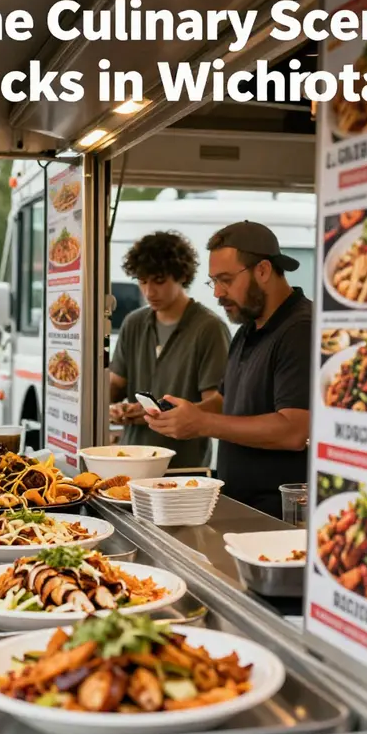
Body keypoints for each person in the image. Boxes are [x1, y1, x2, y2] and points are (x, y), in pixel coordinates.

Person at [146, 221, 312, 518]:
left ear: (262, 270)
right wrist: (186, 413)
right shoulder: (248, 327)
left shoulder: (301, 330)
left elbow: (294, 430)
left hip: (279, 517)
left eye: (225, 280)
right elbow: (227, 400)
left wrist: (201, 424)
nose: (218, 293)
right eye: (214, 281)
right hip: (239, 504)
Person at [109, 230, 231, 470]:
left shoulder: (209, 328)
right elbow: (115, 385)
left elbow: (217, 403)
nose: (149, 292)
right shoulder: (133, 323)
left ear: (181, 276)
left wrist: (160, 412)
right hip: (133, 462)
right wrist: (114, 407)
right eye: (143, 281)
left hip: (184, 467)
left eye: (159, 281)